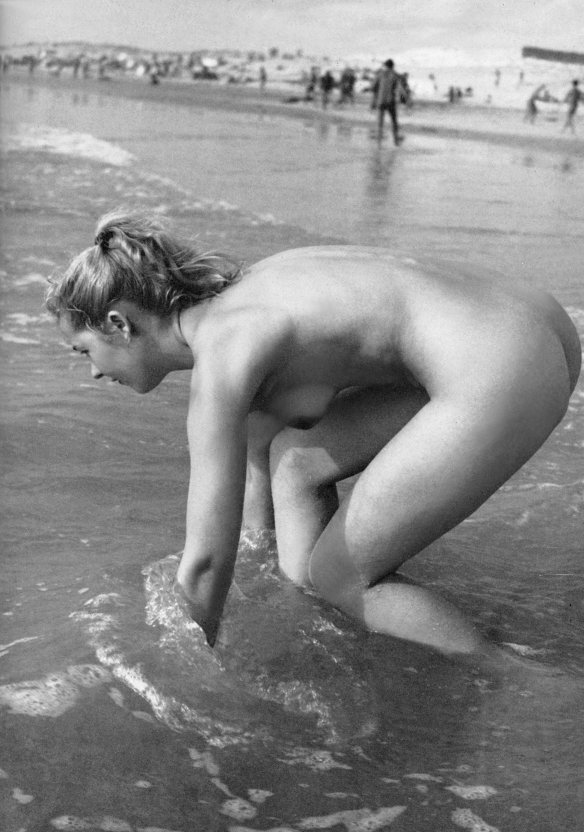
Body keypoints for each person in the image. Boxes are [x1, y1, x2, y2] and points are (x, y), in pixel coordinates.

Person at [47, 213, 581, 656]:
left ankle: (517, 684)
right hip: (531, 321)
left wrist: (185, 671)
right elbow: (259, 455)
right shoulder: (247, 294)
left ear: (118, 324)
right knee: (297, 459)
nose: (92, 372)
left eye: (84, 351)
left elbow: (206, 562)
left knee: (340, 577)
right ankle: (319, 613)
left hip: (504, 361)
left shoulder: (224, 358)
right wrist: (259, 579)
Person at [371, 59, 406, 144]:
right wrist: (404, 97)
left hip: (381, 100)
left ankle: (379, 143)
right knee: (394, 121)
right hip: (391, 101)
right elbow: (400, 88)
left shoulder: (379, 74)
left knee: (380, 123)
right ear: (393, 66)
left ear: (385, 66)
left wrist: (377, 95)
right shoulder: (395, 75)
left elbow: (373, 87)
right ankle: (396, 140)